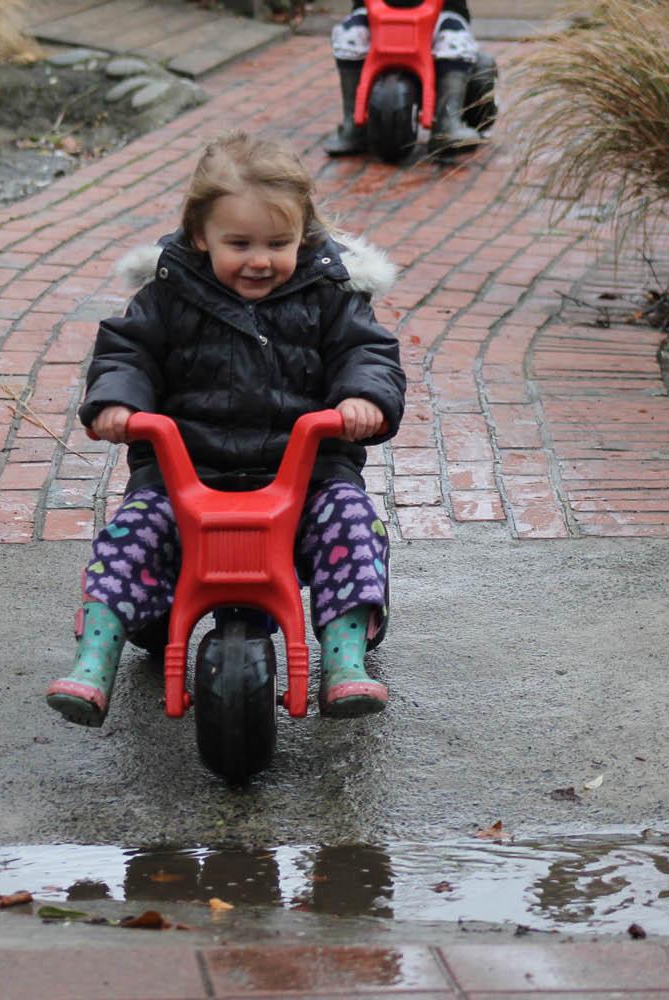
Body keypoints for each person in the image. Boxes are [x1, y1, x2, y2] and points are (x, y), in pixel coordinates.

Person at [46, 131, 406, 728]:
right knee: (132, 535)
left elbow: (367, 352)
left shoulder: (330, 293)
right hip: (187, 474)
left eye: (278, 243)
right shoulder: (167, 293)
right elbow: (126, 353)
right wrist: (116, 402)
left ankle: (345, 660)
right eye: (238, 243)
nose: (259, 260)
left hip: (304, 476)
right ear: (199, 237)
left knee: (350, 522)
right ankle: (95, 656)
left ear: (305, 236)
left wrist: (362, 398)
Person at [324, 0, 494, 156]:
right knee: (350, 37)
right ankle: (354, 123)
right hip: (375, 12)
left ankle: (448, 121)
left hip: (439, 13)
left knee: (454, 40)